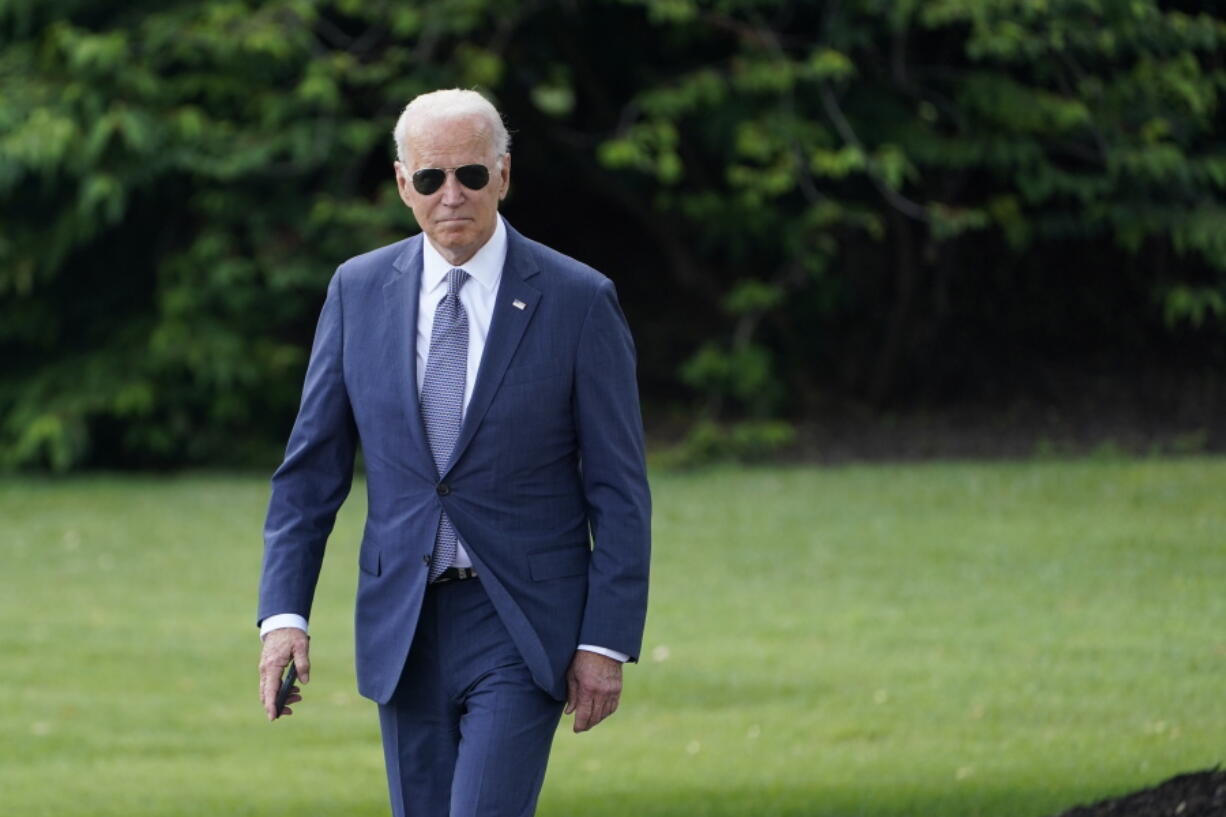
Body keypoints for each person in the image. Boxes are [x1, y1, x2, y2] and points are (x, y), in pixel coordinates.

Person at [256, 88, 651, 817]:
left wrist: (607, 640)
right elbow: (309, 475)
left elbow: (619, 490)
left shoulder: (577, 300)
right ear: (404, 184)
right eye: (432, 178)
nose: (452, 195)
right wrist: (284, 615)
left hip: (520, 622)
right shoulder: (358, 290)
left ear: (504, 175)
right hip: (402, 623)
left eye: (471, 174)